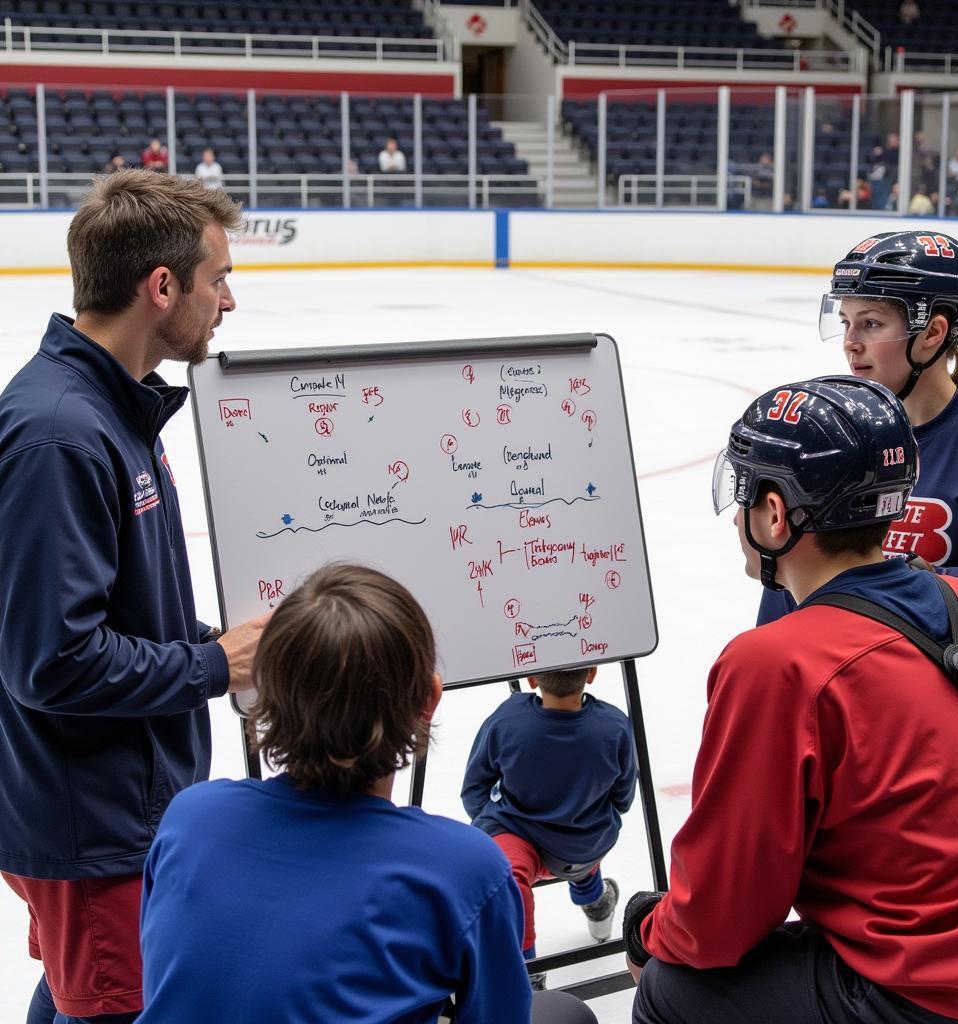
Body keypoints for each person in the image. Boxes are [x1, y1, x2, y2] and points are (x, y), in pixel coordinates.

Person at [625, 375, 958, 1024]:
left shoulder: (778, 664)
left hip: (933, 997)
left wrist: (648, 930)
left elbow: (720, 918)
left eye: (746, 494)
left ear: (776, 514)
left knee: (670, 987)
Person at [0, 169, 267, 1024]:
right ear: (162, 287)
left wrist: (215, 648)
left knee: (85, 997)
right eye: (217, 278)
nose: (227, 302)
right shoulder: (59, 436)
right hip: (93, 825)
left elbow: (119, 613)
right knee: (117, 1006)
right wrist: (208, 666)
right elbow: (54, 664)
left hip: (123, 811)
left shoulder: (114, 414)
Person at [137, 563, 597, 1024]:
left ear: (264, 696)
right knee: (566, 1014)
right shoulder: (461, 868)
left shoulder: (190, 818)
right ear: (428, 701)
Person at [758, 231, 958, 628]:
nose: (850, 342)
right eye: (846, 321)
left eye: (871, 323)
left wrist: (907, 581)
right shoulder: (826, 439)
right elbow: (789, 586)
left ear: (932, 333)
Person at [462, 667, 636, 990]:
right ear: (592, 673)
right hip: (584, 844)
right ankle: (597, 903)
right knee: (581, 845)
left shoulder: (508, 719)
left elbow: (474, 789)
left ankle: (530, 968)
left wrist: (494, 824)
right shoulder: (613, 726)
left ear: (531, 678)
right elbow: (622, 799)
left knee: (511, 878)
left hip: (517, 835)